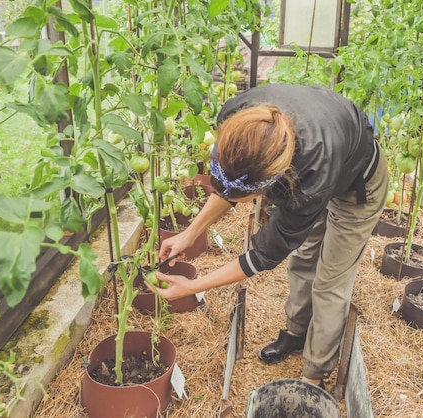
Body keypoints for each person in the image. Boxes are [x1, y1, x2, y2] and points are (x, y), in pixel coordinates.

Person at [155, 83, 388, 388]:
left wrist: (194, 286)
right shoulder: (238, 119)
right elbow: (231, 186)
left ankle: (314, 374)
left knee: (330, 280)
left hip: (357, 181)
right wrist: (191, 232)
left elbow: (263, 256)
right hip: (326, 150)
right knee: (303, 257)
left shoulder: (309, 179)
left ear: (270, 186)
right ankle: (296, 332)